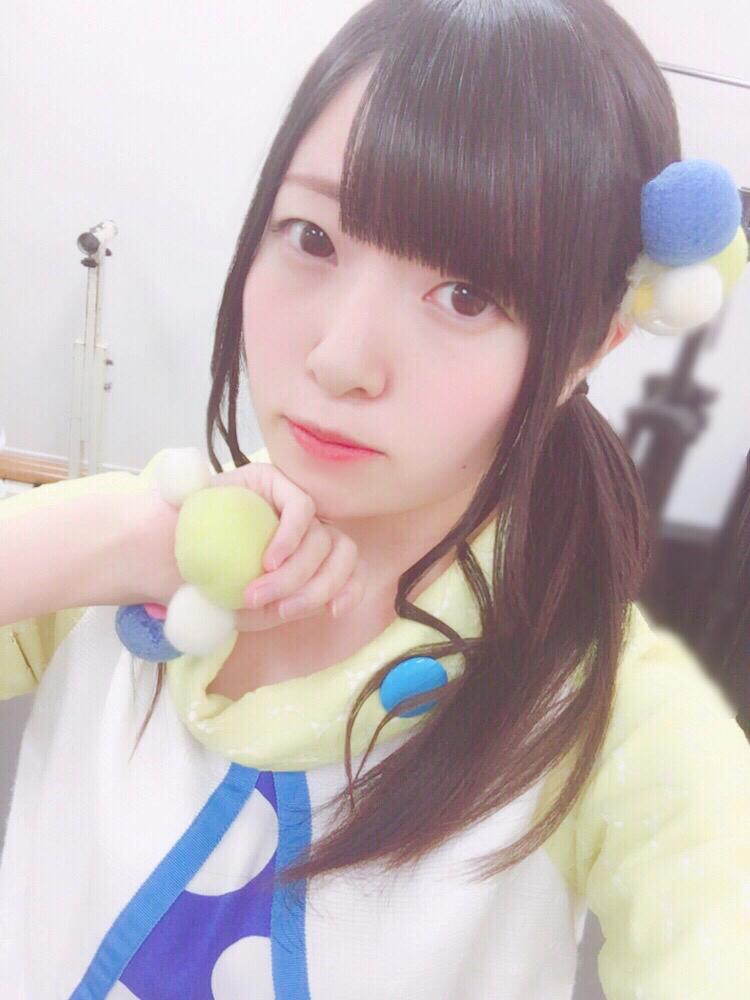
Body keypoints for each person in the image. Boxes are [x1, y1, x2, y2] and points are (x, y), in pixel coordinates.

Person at [1, 1, 749, 997]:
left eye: (466, 296)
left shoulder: (616, 719)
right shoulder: (120, 554)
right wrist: (105, 540)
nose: (340, 356)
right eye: (311, 236)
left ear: (588, 349)